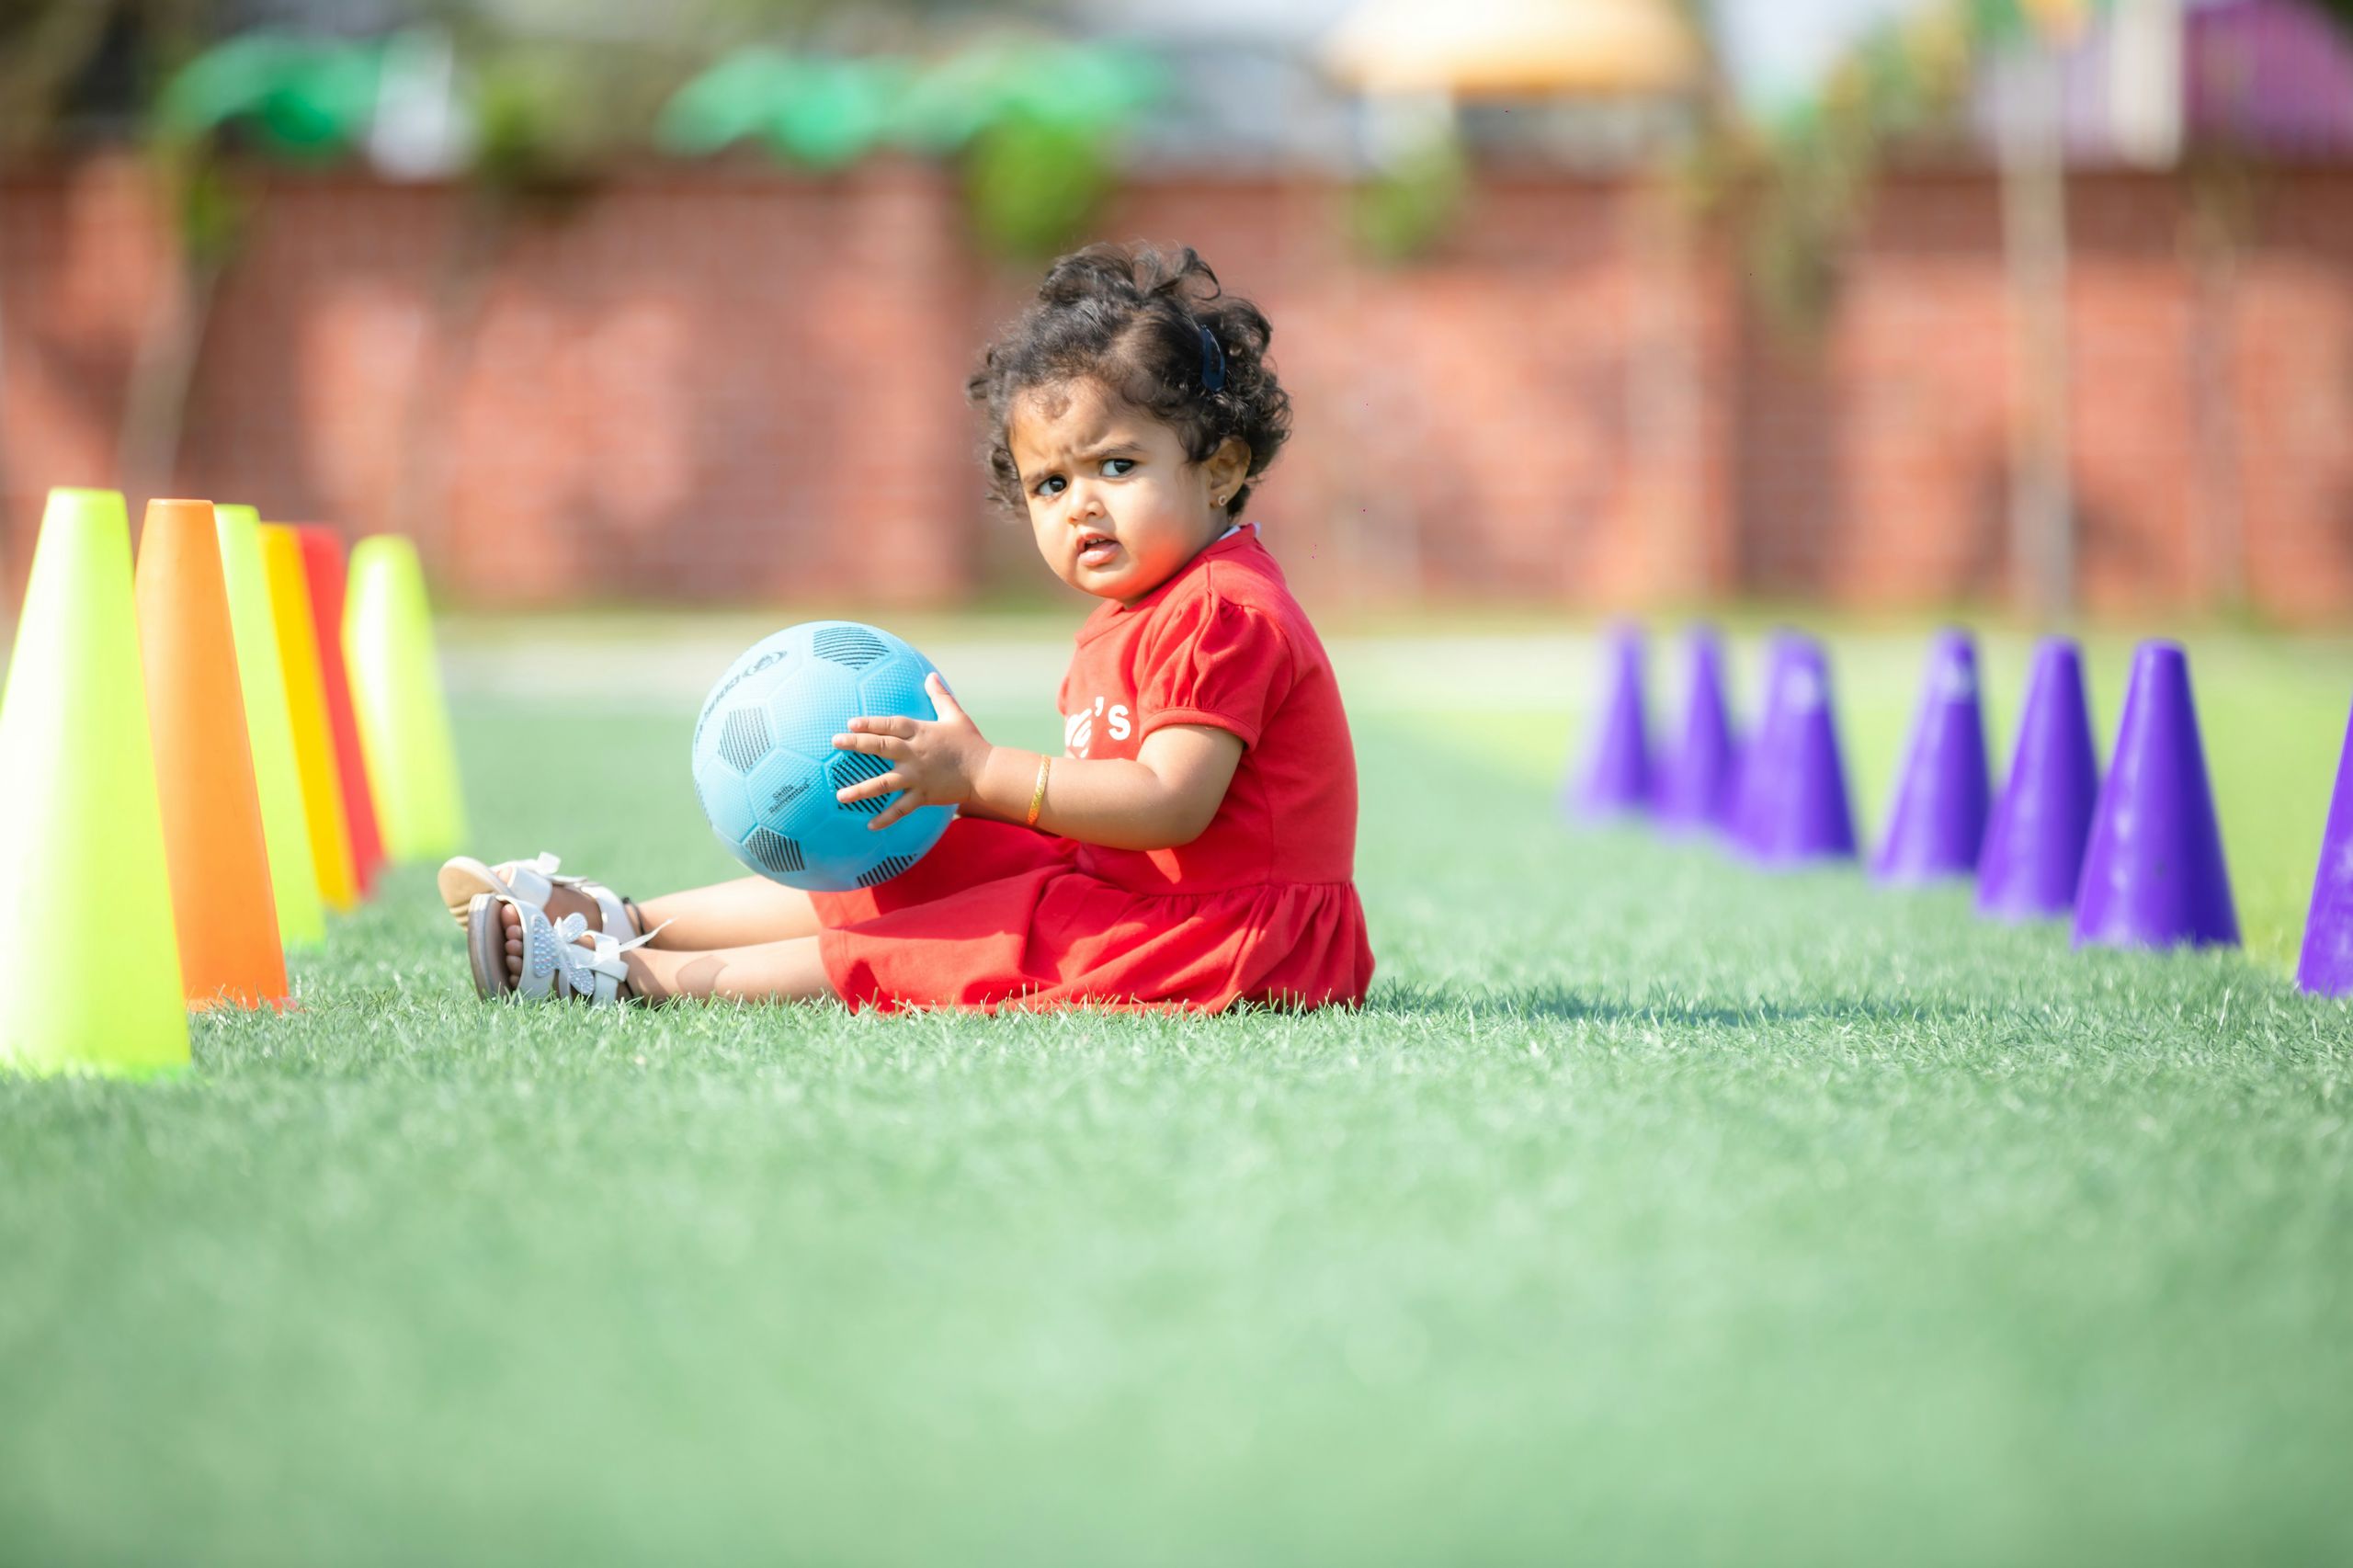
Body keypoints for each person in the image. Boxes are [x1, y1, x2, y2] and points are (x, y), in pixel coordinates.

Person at [440, 242, 1373, 1013]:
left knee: (968, 929)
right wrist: (967, 802)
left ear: (1220, 466)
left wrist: (985, 775)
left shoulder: (1219, 609)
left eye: (1117, 465)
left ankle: (628, 976)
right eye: (1052, 483)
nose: (1081, 504)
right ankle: (621, 913)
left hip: (1233, 939)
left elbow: (1173, 802)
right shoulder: (1141, 611)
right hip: (1157, 894)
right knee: (934, 852)